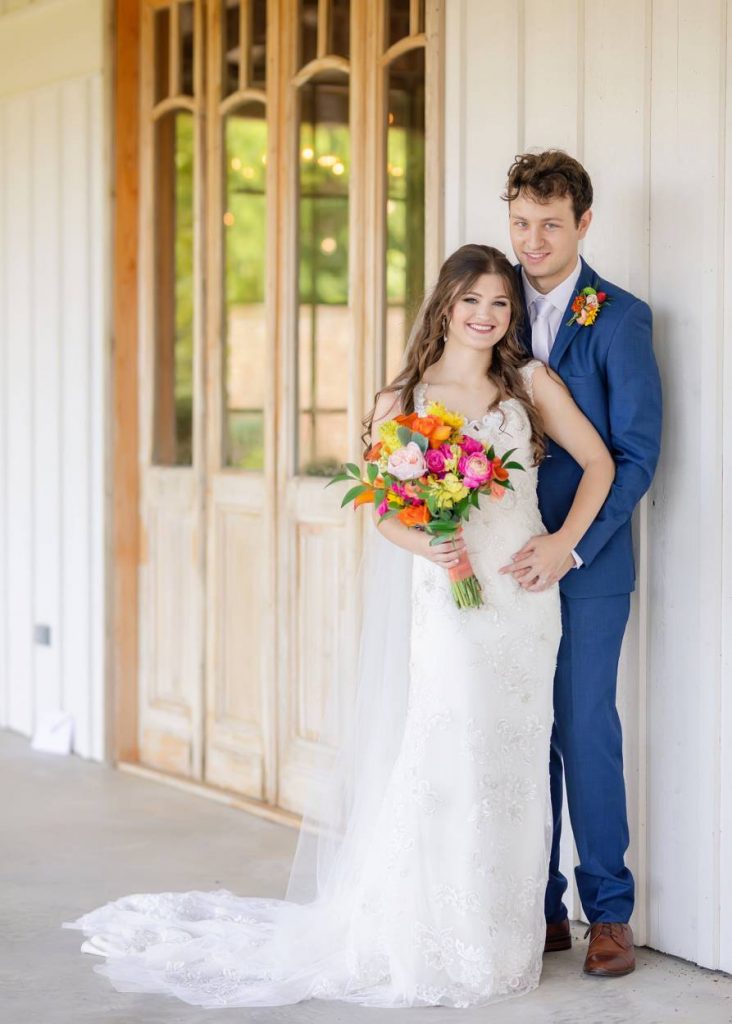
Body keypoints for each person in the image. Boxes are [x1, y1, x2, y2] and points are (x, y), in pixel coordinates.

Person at [65, 244, 614, 1009]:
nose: (488, 317)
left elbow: (601, 465)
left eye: (500, 304)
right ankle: (430, 934)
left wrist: (561, 545)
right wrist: (434, 542)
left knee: (514, 761)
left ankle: (500, 937)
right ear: (446, 305)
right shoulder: (406, 400)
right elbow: (388, 516)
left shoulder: (529, 383)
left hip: (524, 602)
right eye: (473, 302)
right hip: (452, 602)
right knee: (452, 750)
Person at [501, 150, 662, 977]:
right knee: (520, 730)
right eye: (522, 223)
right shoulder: (489, 308)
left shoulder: (621, 317)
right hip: (505, 564)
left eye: (550, 225)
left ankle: (607, 910)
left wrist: (570, 545)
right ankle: (536, 908)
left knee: (583, 728)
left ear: (584, 224)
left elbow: (635, 456)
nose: (533, 241)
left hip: (589, 565)